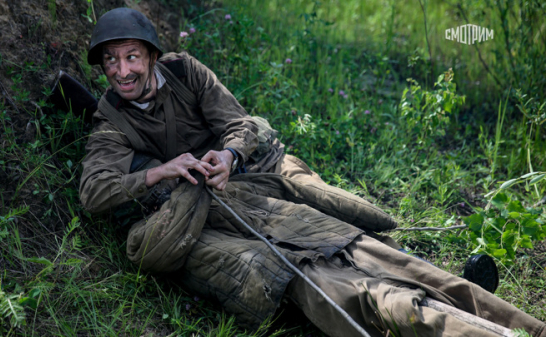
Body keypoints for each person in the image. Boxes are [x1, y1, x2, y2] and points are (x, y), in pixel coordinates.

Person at [79, 8, 546, 337]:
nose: (122, 71)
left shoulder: (186, 72)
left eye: (131, 57)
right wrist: (161, 172)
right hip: (222, 214)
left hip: (260, 175)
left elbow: (241, 125)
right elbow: (95, 192)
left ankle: (494, 311)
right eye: (111, 61)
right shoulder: (110, 124)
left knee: (345, 221)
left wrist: (228, 158)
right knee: (344, 283)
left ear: (152, 56)